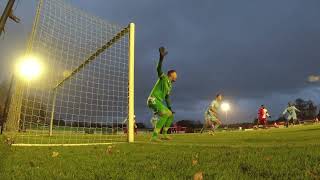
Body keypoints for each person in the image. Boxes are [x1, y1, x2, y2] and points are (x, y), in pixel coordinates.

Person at [147, 47, 177, 141]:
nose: (177, 76)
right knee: (165, 114)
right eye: (176, 74)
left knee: (170, 115)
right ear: (171, 75)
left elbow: (167, 97)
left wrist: (170, 108)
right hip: (153, 99)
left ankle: (164, 134)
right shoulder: (163, 78)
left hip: (159, 102)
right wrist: (161, 58)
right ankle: (154, 136)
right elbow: (158, 69)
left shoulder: (170, 86)